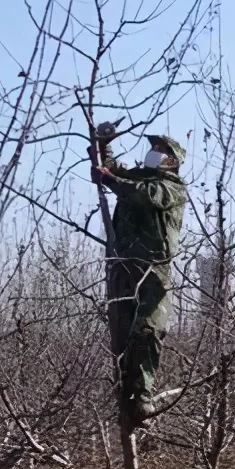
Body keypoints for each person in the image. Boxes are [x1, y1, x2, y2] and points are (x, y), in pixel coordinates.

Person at [90, 130, 188, 423]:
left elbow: (147, 197)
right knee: (120, 332)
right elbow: (111, 168)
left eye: (160, 149)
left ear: (171, 161)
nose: (153, 152)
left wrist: (110, 179)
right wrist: (102, 145)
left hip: (153, 269)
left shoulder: (171, 187)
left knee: (147, 330)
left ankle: (142, 395)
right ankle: (126, 399)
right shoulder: (136, 177)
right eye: (153, 148)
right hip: (123, 265)